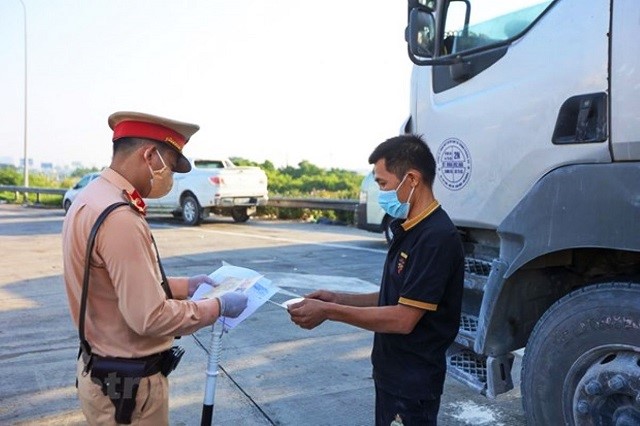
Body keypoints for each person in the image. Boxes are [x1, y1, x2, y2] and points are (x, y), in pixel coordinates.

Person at [62, 111, 248, 425]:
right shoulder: (119, 217)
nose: (171, 179)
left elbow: (112, 284)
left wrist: (186, 285)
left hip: (104, 376)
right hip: (130, 393)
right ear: (150, 156)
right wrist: (216, 307)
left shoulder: (90, 199)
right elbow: (149, 317)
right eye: (171, 168)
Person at [288, 134, 464, 426]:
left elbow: (403, 318)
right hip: (392, 374)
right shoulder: (410, 228)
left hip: (412, 383)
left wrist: (330, 312)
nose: (380, 192)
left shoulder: (436, 237)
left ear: (411, 179)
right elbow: (395, 296)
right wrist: (337, 298)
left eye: (383, 183)